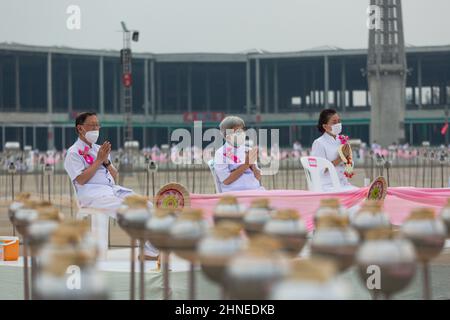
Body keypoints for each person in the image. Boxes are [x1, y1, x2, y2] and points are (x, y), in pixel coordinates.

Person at [64, 112, 159, 260]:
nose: (96, 129)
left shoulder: (98, 148)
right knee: (129, 211)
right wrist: (98, 160)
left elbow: (114, 175)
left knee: (147, 205)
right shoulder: (73, 153)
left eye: (97, 125)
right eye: (92, 125)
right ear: (80, 129)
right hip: (92, 195)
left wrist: (106, 161)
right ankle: (149, 244)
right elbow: (81, 180)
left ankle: (150, 250)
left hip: (112, 189)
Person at [213, 116, 264, 192]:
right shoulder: (220, 153)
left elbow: (258, 177)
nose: (242, 134)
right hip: (235, 192)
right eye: (237, 132)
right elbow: (226, 180)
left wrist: (252, 165)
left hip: (256, 190)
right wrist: (246, 165)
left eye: (242, 130)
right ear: (228, 137)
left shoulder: (248, 150)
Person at [311, 109, 356, 192]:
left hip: (343, 183)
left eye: (339, 121)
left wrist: (347, 158)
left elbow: (350, 167)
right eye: (334, 122)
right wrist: (340, 158)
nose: (338, 124)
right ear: (325, 126)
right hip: (327, 185)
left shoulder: (342, 140)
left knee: (360, 193)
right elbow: (320, 170)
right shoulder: (319, 143)